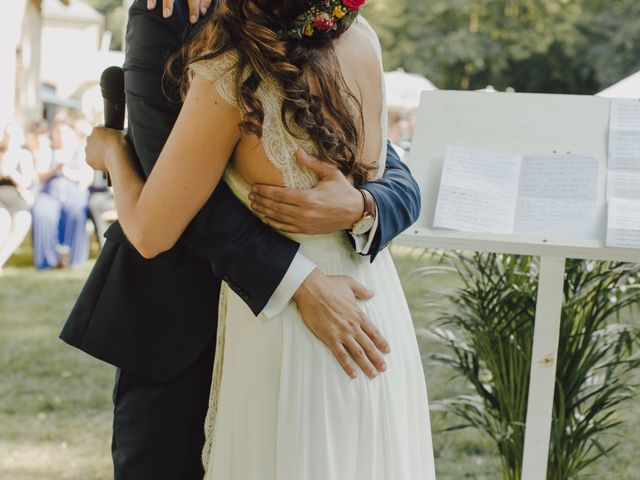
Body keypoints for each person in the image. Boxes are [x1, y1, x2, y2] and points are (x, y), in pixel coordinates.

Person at [61, 0, 425, 478]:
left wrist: (363, 206)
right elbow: (185, 183)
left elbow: (393, 174)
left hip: (316, 326)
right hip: (194, 323)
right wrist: (298, 280)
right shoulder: (164, 15)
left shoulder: (241, 65)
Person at [31, 122, 93, 269]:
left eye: (65, 134)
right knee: (42, 212)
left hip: (74, 192)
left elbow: (87, 178)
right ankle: (47, 260)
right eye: (58, 134)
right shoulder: (47, 152)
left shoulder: (80, 152)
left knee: (78, 210)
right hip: (49, 193)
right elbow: (39, 176)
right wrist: (56, 168)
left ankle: (75, 260)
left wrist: (67, 173)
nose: (61, 137)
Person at [0, 123, 35, 273]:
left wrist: (11, 172)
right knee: (3, 222)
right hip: (1, 196)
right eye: (9, 134)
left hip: (18, 196)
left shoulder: (24, 155)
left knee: (22, 222)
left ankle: (1, 260)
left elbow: (27, 181)